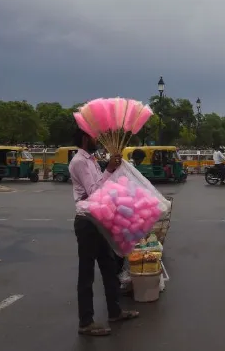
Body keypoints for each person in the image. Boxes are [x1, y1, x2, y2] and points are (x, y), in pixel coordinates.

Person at [69, 127, 139, 336]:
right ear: (84, 138)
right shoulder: (79, 162)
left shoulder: (90, 160)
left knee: (109, 267)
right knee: (87, 273)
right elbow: (93, 192)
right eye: (93, 135)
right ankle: (86, 322)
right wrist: (108, 169)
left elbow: (102, 185)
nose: (97, 138)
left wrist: (112, 170)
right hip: (87, 223)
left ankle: (115, 311)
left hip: (99, 221)